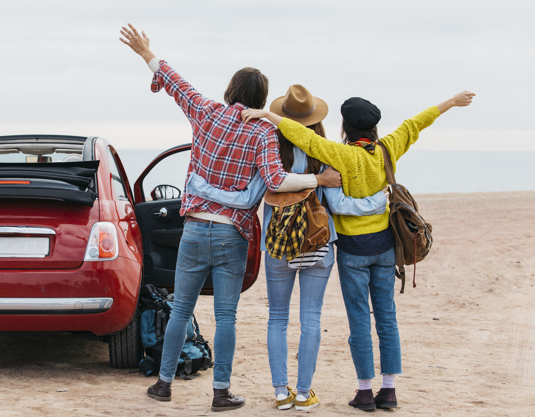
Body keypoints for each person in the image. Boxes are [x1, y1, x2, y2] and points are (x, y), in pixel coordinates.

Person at [119, 24, 338, 412]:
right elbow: (275, 180)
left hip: (193, 230)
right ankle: (221, 392)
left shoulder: (205, 112)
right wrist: (317, 178)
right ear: (262, 99)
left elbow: (174, 82)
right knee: (226, 317)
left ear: (230, 91)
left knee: (181, 309)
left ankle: (163, 384)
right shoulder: (263, 133)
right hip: (230, 235)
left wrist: (145, 53)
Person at [241, 90, 475, 411]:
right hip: (385, 249)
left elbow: (302, 137)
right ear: (374, 128)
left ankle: (365, 391)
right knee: (387, 318)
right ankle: (389, 390)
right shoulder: (387, 150)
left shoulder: (340, 154)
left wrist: (270, 116)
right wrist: (449, 103)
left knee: (359, 320)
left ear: (345, 128)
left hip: (352, 253)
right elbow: (415, 124)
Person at [186, 84, 388, 411]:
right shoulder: (325, 152)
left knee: (277, 318)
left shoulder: (269, 145)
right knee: (311, 318)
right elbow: (337, 201)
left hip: (279, 244)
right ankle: (305, 393)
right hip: (318, 244)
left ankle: (281, 392)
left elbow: (254, 189)